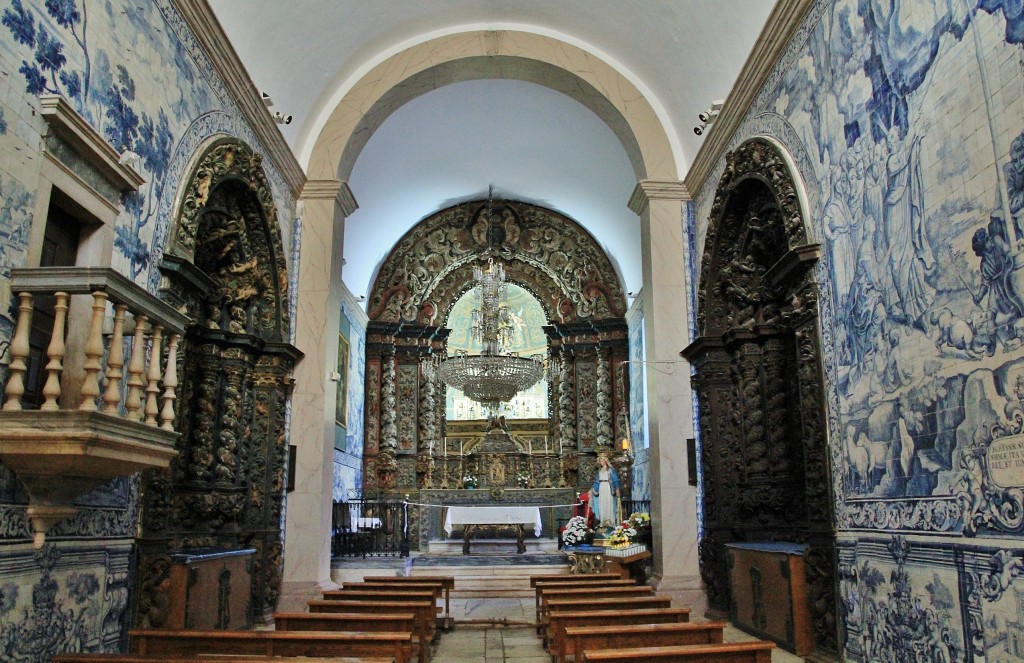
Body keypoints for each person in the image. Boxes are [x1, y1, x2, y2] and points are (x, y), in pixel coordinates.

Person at [591, 455, 621, 527]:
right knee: (602, 503)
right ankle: (603, 521)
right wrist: (592, 489)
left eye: (602, 461)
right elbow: (597, 481)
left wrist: (617, 488)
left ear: (605, 461)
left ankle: (610, 521)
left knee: (609, 503)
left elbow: (615, 479)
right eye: (600, 461)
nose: (601, 462)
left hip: (608, 487)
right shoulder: (600, 470)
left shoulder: (610, 469)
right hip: (601, 487)